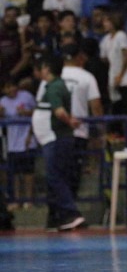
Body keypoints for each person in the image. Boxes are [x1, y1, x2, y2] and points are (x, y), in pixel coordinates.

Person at [36, 44, 103, 197]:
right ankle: (69, 208)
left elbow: (40, 103)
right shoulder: (86, 76)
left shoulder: (50, 78)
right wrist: (99, 131)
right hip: (77, 130)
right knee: (73, 173)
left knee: (56, 172)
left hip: (53, 132)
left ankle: (61, 211)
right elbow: (96, 106)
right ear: (79, 57)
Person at [31, 56, 85, 231]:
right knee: (55, 176)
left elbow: (59, 111)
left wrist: (69, 121)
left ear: (47, 68)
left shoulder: (54, 88)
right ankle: (57, 217)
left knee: (55, 176)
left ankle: (71, 213)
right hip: (54, 139)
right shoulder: (55, 86)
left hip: (55, 138)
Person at [100, 11, 127, 133]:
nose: (104, 24)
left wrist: (121, 75)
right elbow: (104, 57)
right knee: (116, 106)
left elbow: (126, 56)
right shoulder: (106, 39)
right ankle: (118, 132)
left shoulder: (121, 36)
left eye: (107, 21)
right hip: (113, 76)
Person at [0, 79, 36, 206]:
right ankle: (16, 199)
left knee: (28, 172)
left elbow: (37, 113)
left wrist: (26, 113)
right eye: (7, 87)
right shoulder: (2, 102)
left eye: (13, 86)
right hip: (11, 143)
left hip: (27, 140)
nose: (11, 90)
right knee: (14, 173)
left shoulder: (27, 96)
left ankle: (29, 200)